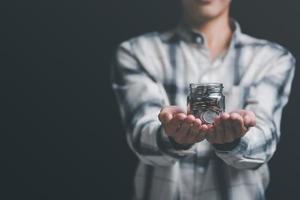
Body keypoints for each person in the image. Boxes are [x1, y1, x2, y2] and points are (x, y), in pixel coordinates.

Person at [111, 0, 295, 199]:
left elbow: (264, 144)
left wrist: (234, 143)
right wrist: (171, 137)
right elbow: (141, 136)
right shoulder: (137, 52)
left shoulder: (273, 58)